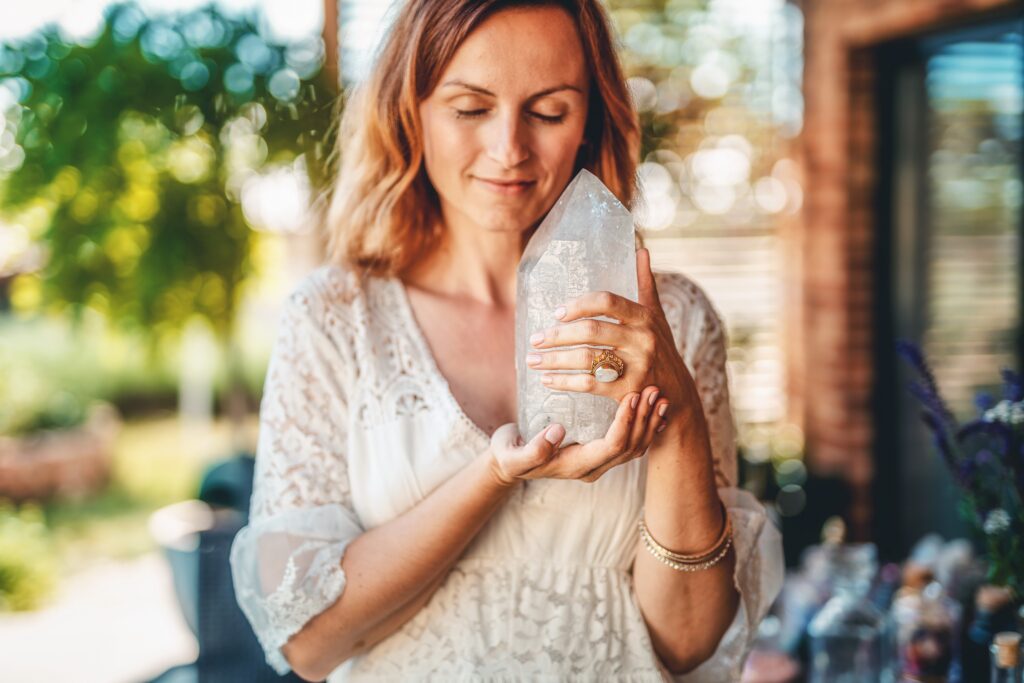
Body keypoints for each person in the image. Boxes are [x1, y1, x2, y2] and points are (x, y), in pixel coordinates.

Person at [229, 0, 784, 680]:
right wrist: (492, 474)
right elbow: (310, 644)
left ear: (590, 119)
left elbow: (688, 641)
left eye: (549, 111)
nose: (509, 148)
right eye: (470, 108)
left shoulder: (673, 319)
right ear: (413, 109)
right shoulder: (336, 320)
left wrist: (676, 422)